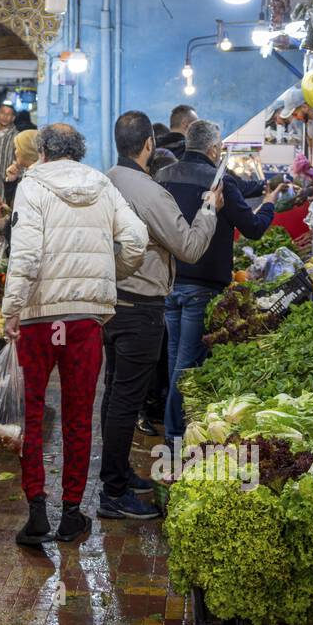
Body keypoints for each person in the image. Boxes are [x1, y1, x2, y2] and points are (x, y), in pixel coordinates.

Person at [1, 123, 148, 545]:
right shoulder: (102, 184)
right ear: (79, 151)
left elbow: (25, 254)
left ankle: (35, 515)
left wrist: (12, 309)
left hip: (38, 319)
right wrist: (107, 276)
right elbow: (136, 240)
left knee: (31, 415)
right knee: (79, 416)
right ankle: (71, 513)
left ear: (43, 151)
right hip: (85, 320)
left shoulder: (33, 184)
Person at [101, 112, 222, 519]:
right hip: (140, 307)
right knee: (125, 400)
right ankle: (113, 493)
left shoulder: (108, 180)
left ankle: (114, 475)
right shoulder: (147, 191)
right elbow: (188, 247)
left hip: (111, 303)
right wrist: (209, 209)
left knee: (115, 394)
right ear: (149, 144)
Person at [156, 119, 283, 443]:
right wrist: (269, 204)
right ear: (214, 149)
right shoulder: (219, 182)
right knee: (187, 363)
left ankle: (178, 427)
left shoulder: (164, 177)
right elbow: (253, 227)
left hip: (168, 283)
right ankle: (175, 434)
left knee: (175, 360)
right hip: (202, 286)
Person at [4, 128, 40, 209]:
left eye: (17, 148)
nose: (15, 152)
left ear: (26, 151)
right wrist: (11, 181)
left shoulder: (35, 179)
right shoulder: (30, 173)